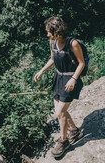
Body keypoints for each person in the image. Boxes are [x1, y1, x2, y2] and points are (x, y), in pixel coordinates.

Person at [34, 16, 85, 158]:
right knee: (59, 110)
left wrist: (74, 79)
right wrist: (42, 71)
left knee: (60, 112)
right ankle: (74, 131)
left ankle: (64, 141)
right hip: (58, 78)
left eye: (48, 32)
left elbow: (81, 63)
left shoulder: (72, 43)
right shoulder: (52, 42)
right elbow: (52, 59)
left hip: (70, 79)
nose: (47, 34)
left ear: (56, 31)